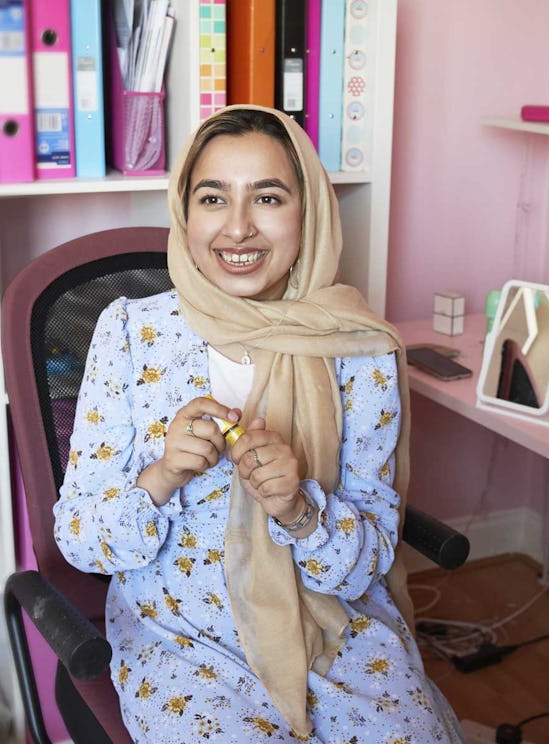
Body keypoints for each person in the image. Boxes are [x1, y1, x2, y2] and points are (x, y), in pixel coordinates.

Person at [55, 105, 463, 743]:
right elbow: (79, 542)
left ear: (309, 213)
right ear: (185, 213)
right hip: (183, 639)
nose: (238, 228)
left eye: (268, 197)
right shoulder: (131, 333)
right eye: (213, 197)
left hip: (333, 632)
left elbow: (366, 566)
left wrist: (300, 510)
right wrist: (160, 476)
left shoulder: (360, 350)